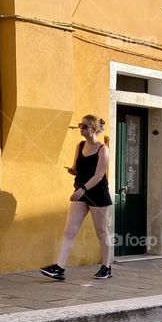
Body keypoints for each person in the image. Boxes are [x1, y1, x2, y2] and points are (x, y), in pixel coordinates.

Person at [40, 114, 114, 281]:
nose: (80, 128)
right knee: (69, 231)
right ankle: (59, 268)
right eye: (80, 125)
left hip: (97, 193)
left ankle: (106, 267)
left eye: (84, 126)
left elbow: (99, 175)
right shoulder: (80, 146)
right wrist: (73, 171)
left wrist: (83, 189)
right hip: (80, 191)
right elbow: (77, 167)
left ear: (93, 130)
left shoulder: (103, 149)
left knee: (101, 231)